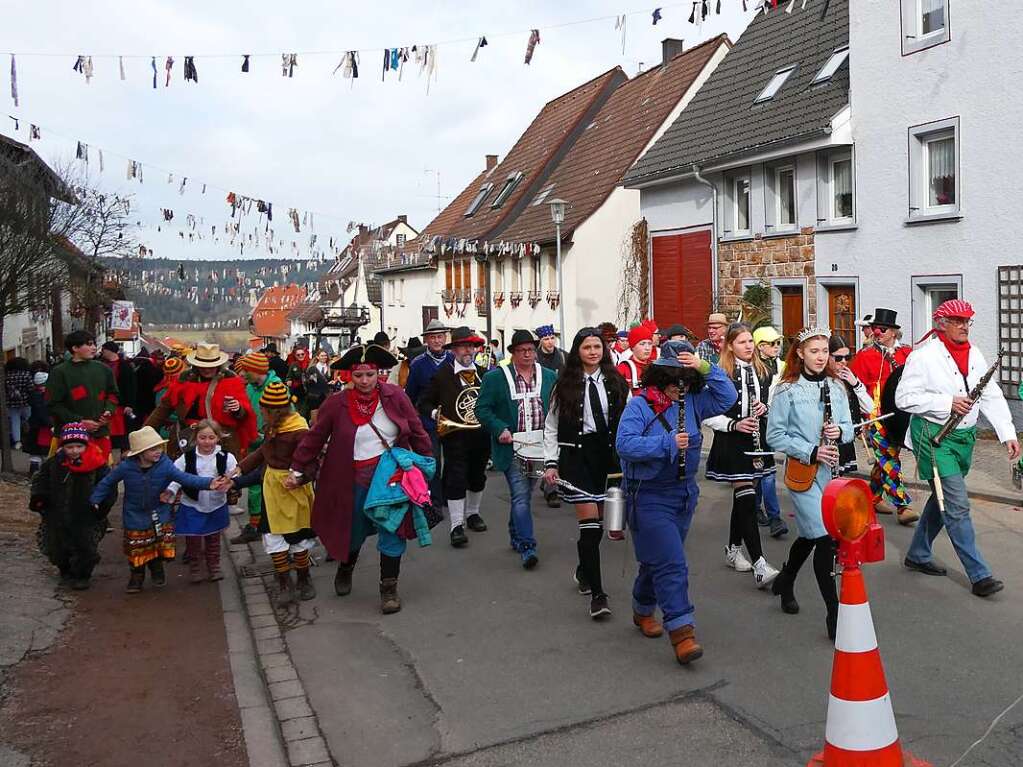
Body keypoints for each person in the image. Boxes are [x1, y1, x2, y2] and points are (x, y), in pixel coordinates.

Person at [290, 344, 433, 614]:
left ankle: (388, 588)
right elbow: (315, 437)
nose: (365, 381)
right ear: (349, 377)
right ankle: (346, 565)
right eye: (359, 376)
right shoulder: (336, 404)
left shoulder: (395, 396)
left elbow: (415, 428)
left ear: (378, 373)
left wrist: (426, 463)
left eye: (370, 375)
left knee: (392, 531)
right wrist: (298, 468)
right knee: (352, 531)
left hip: (391, 477)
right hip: (352, 477)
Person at [617, 339, 736, 664]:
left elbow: (728, 397)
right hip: (649, 495)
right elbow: (625, 445)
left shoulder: (695, 400)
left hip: (684, 493)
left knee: (657, 561)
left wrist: (705, 366)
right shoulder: (639, 405)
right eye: (672, 377)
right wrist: (666, 443)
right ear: (658, 377)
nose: (678, 384)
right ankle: (682, 632)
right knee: (672, 563)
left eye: (684, 377)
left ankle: (642, 609)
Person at [896, 299, 1020, 597]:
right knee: (957, 504)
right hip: (933, 436)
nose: (964, 326)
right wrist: (945, 402)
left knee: (943, 498)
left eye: (967, 321)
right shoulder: (923, 356)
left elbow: (990, 394)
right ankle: (979, 575)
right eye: (957, 321)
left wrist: (1007, 433)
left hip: (963, 438)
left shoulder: (975, 353)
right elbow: (903, 398)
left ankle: (918, 553)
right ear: (941, 324)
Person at [766, 327, 854, 639]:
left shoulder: (836, 385)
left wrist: (840, 433)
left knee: (810, 533)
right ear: (800, 353)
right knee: (825, 539)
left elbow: (849, 427)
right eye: (813, 351)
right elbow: (774, 435)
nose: (820, 357)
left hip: (831, 473)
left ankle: (786, 579)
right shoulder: (787, 389)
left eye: (824, 351)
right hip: (803, 473)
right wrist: (811, 449)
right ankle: (835, 613)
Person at [543, 328, 629, 619]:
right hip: (577, 457)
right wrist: (551, 463)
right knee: (589, 526)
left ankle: (584, 568)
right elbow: (551, 427)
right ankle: (598, 594)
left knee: (603, 525)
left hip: (608, 457)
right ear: (577, 351)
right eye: (586, 347)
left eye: (597, 347)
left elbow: (627, 420)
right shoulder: (563, 385)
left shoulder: (617, 382)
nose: (593, 352)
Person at [90, 426, 228, 593]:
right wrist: (96, 498)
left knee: (157, 543)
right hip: (134, 512)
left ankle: (157, 568)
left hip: (159, 511)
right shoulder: (126, 467)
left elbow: (184, 478)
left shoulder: (165, 465)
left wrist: (208, 483)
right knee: (136, 546)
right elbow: (108, 482)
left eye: (159, 448)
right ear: (140, 452)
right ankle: (137, 576)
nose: (158, 452)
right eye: (153, 449)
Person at [703, 323, 781, 588]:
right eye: (742, 342)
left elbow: (773, 400)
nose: (748, 346)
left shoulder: (763, 371)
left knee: (743, 497)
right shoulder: (721, 373)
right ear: (730, 346)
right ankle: (759, 563)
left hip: (756, 438)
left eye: (750, 341)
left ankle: (734, 549)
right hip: (732, 440)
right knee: (747, 497)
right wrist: (733, 424)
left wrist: (764, 407)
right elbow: (708, 414)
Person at [477, 329, 557, 569]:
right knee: (521, 495)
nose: (527, 354)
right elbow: (482, 409)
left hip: (540, 446)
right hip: (512, 446)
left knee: (525, 494)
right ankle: (527, 546)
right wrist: (500, 428)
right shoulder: (495, 378)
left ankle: (515, 532)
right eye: (522, 350)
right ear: (512, 353)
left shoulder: (550, 376)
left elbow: (557, 408)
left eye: (531, 350)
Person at [233, 382, 318, 606]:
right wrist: (242, 467)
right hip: (272, 490)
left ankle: (303, 578)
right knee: (273, 535)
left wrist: (299, 478)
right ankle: (283, 582)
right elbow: (263, 451)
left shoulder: (299, 431)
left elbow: (312, 461)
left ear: (274, 411)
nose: (261, 413)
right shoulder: (273, 427)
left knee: (299, 535)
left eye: (263, 410)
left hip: (294, 490)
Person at [419, 327, 490, 547]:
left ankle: (473, 514)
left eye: (471, 346)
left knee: (478, 476)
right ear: (455, 350)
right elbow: (424, 402)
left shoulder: (484, 373)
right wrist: (435, 414)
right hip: (455, 435)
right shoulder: (442, 375)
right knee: (456, 478)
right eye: (463, 346)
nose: (468, 350)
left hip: (480, 434)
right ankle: (456, 526)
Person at [849, 308, 919, 526]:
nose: (877, 332)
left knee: (884, 459)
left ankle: (872, 497)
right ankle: (903, 506)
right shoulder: (865, 356)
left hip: (900, 416)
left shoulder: (907, 354)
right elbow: (853, 390)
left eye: (882, 329)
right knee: (889, 458)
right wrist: (858, 421)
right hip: (875, 416)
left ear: (893, 332)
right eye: (875, 328)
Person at [29, 423, 114, 590]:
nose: (74, 450)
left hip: (86, 514)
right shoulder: (54, 463)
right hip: (57, 512)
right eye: (70, 447)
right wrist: (39, 498)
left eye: (79, 446)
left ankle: (83, 575)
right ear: (63, 447)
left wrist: (102, 506)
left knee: (85, 546)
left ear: (86, 444)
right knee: (57, 545)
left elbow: (108, 486)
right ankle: (65, 571)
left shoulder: (97, 464)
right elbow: (40, 480)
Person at [145, 343, 256, 462]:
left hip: (222, 445)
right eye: (203, 365)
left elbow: (245, 415)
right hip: (187, 443)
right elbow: (162, 410)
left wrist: (238, 409)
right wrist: (144, 435)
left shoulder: (232, 382)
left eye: (211, 366)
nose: (207, 369)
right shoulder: (182, 382)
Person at [165, 419, 237, 583]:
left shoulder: (226, 457)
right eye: (202, 438)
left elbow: (235, 473)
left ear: (218, 438)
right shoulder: (186, 457)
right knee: (193, 540)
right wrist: (171, 490)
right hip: (192, 504)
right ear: (195, 438)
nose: (207, 442)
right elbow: (176, 476)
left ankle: (214, 567)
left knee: (213, 538)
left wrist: (229, 483)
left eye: (211, 438)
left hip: (216, 503)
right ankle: (195, 568)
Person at [232, 351, 283, 544]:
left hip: (269, 443)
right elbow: (248, 413)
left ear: (256, 370)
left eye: (246, 370)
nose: (242, 374)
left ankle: (265, 525)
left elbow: (285, 416)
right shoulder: (251, 388)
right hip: (253, 442)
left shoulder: (275, 386)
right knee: (254, 485)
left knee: (263, 484)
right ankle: (256, 524)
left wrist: (269, 436)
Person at [45, 331, 119, 460]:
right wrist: (79, 422)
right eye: (89, 344)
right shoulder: (60, 372)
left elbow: (113, 394)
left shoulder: (104, 369)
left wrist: (108, 411)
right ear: (75, 348)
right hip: (70, 438)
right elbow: (53, 404)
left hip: (100, 434)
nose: (94, 348)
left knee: (101, 473)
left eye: (94, 344)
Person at [404, 320, 451, 512]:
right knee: (433, 460)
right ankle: (435, 500)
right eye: (433, 337)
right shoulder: (418, 364)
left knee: (452, 459)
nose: (437, 341)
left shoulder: (452, 360)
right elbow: (410, 395)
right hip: (428, 421)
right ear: (427, 340)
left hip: (452, 419)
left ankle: (449, 494)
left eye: (440, 337)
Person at [752, 326, 788, 537]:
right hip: (756, 423)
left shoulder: (781, 366)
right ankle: (774, 517)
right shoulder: (753, 369)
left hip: (773, 422)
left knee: (763, 469)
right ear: (761, 347)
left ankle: (757, 508)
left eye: (777, 343)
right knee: (766, 471)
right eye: (772, 343)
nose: (777, 347)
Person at [827, 334, 873, 476]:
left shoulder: (849, 377)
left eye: (847, 357)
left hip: (846, 440)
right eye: (838, 358)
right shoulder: (822, 380)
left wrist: (856, 384)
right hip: (828, 443)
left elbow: (870, 408)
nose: (844, 362)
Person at [100, 341, 138, 458]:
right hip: (104, 404)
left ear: (109, 350)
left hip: (120, 405)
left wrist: (130, 404)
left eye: (103, 350)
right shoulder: (101, 364)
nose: (102, 352)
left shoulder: (125, 366)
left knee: (121, 434)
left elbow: (131, 386)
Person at [25, 371, 52, 474]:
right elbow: (42, 412)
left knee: (35, 451)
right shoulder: (42, 397)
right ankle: (44, 471)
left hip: (35, 425)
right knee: (43, 449)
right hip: (43, 427)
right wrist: (49, 423)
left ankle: (34, 469)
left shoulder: (33, 395)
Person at [617, 324, 655, 394]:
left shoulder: (656, 366)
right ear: (632, 347)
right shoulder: (623, 368)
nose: (647, 348)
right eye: (642, 344)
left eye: (650, 343)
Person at [5, 357, 33, 451]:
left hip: (11, 402)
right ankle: (29, 437)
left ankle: (17, 441)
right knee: (28, 419)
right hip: (25, 402)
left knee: (14, 421)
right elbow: (30, 389)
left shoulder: (7, 376)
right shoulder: (26, 375)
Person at [131, 350, 163, 424]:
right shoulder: (151, 369)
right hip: (147, 397)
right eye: (160, 359)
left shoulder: (143, 366)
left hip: (141, 397)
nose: (162, 361)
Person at [303, 349, 333, 417]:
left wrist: (332, 382)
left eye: (325, 355)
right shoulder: (312, 368)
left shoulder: (330, 368)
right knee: (315, 415)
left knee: (325, 414)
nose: (324, 357)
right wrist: (310, 379)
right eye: (322, 356)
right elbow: (309, 382)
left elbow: (333, 379)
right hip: (315, 395)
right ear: (317, 357)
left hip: (326, 395)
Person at [285, 345, 311, 416]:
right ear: (295, 356)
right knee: (297, 410)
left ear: (305, 354)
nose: (300, 356)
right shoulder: (294, 365)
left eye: (302, 354)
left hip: (308, 392)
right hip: (296, 392)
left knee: (306, 411)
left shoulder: (310, 364)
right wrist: (288, 381)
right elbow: (288, 377)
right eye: (298, 355)